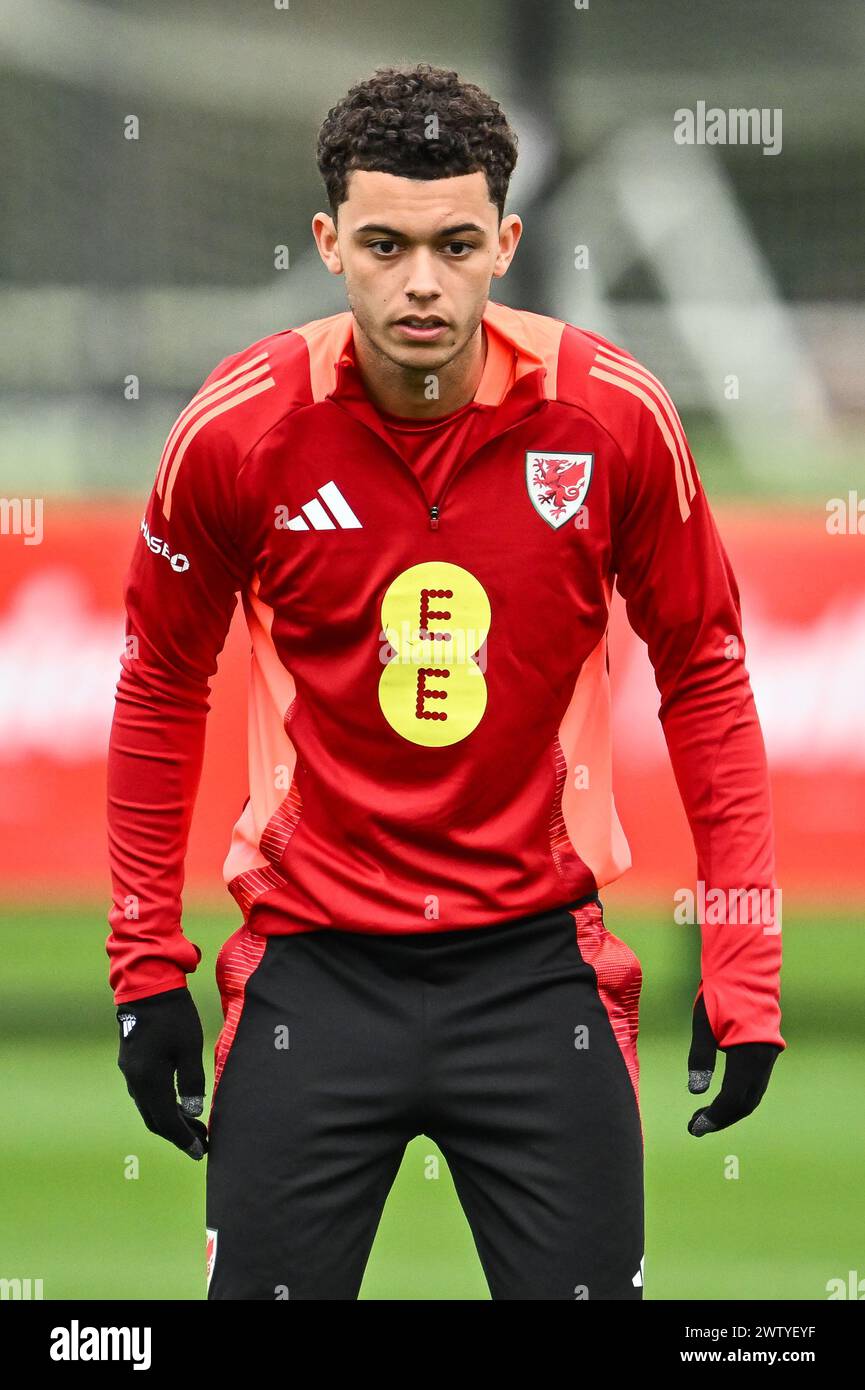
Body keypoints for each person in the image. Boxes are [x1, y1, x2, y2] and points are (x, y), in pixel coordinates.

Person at [107, 62, 785, 1301]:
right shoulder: (236, 432)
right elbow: (159, 682)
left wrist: (742, 963)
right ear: (327, 242)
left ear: (506, 242)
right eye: (384, 244)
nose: (421, 281)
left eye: (456, 243)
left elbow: (706, 674)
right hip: (310, 964)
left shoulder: (612, 419)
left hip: (539, 975)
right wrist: (145, 966)